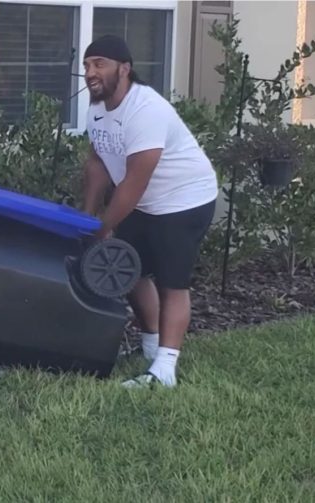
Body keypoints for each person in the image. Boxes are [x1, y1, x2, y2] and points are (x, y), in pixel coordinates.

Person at [80, 35, 218, 388]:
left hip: (183, 200)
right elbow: (98, 163)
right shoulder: (97, 107)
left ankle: (165, 369)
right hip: (143, 202)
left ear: (124, 69)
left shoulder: (146, 110)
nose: (90, 72)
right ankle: (150, 348)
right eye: (86, 65)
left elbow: (133, 184)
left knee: (173, 281)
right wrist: (87, 217)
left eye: (99, 64)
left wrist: (102, 227)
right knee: (131, 269)